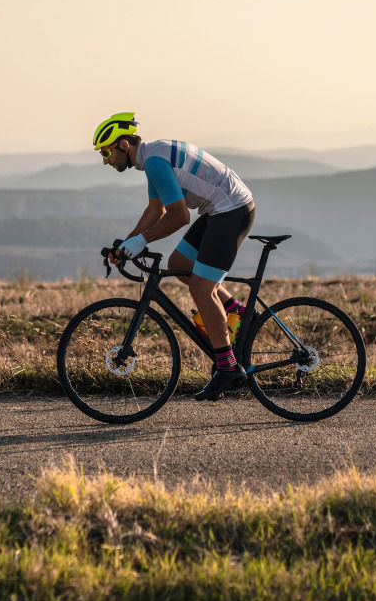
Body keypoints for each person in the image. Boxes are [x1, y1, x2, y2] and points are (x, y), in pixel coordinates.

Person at [94, 112, 256, 401]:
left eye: (106, 152)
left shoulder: (154, 162)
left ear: (121, 145)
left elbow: (180, 216)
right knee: (180, 266)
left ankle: (228, 366)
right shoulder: (150, 158)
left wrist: (141, 241)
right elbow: (156, 211)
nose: (105, 161)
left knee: (201, 289)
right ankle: (241, 314)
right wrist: (128, 243)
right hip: (218, 210)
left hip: (231, 210)